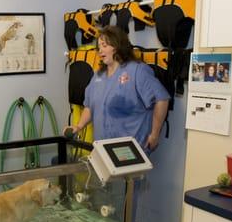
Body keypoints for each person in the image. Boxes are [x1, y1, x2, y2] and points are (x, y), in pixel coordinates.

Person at [66, 25, 170, 154]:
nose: (100, 51)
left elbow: (162, 99)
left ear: (117, 46)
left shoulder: (137, 70)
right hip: (102, 147)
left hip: (130, 148)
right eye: (99, 47)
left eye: (104, 46)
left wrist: (155, 134)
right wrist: (79, 126)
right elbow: (90, 106)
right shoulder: (98, 76)